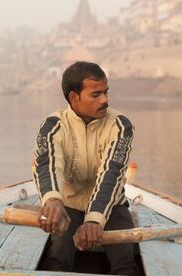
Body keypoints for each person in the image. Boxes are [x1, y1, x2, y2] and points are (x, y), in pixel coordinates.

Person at [32, 61, 139, 275]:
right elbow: (47, 165)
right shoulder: (53, 126)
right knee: (56, 259)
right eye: (96, 95)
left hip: (112, 207)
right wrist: (53, 201)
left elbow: (112, 173)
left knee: (125, 264)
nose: (105, 100)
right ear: (74, 98)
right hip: (68, 205)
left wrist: (94, 220)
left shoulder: (121, 126)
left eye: (106, 92)